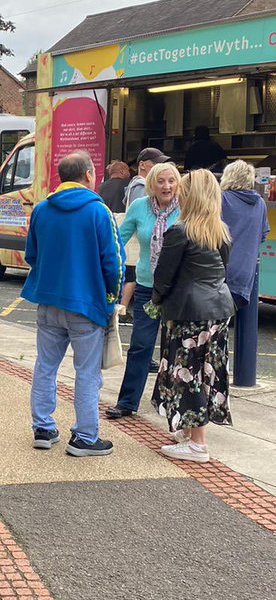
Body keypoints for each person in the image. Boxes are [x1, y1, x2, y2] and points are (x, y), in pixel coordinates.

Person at [22, 150, 124, 457]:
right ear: (89, 175)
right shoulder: (98, 211)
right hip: (86, 303)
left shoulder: (41, 209)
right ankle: (85, 436)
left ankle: (43, 427)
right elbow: (114, 263)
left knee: (45, 366)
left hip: (48, 300)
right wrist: (111, 299)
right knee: (87, 372)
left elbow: (32, 255)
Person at [151, 168, 234, 463]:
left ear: (190, 196)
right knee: (208, 372)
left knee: (188, 374)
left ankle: (197, 444)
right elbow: (222, 269)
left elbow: (163, 276)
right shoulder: (220, 231)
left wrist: (156, 301)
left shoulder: (180, 231)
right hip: (218, 311)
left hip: (188, 313)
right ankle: (189, 433)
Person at [105, 162, 181, 420]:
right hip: (147, 287)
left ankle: (174, 405)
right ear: (151, 183)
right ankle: (127, 402)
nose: (166, 186)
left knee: (176, 349)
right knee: (140, 345)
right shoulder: (139, 207)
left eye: (171, 181)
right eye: (160, 181)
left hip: (177, 289)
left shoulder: (185, 208)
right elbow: (117, 240)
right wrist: (107, 268)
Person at [121, 147, 171, 313]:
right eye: (155, 164)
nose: (166, 185)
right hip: (146, 277)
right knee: (143, 336)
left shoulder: (181, 207)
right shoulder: (141, 190)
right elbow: (121, 236)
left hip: (173, 284)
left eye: (171, 181)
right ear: (142, 165)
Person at [219, 159, 269, 308]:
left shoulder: (221, 198)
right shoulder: (260, 203)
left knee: (210, 327)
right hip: (245, 275)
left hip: (220, 274)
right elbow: (263, 235)